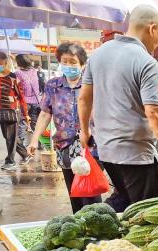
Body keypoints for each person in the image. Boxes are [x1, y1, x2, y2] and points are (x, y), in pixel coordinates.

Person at [78, 4, 158, 208]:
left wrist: (84, 131)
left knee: (123, 202)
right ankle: (89, 226)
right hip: (137, 155)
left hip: (107, 151)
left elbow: (84, 98)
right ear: (152, 28)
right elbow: (155, 112)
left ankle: (93, 226)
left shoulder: (99, 54)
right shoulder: (146, 62)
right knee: (144, 215)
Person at [27, 43, 103, 213]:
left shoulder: (91, 84)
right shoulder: (53, 85)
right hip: (65, 146)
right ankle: (79, 226)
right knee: (74, 192)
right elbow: (45, 114)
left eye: (73, 61)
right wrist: (34, 140)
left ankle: (97, 226)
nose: (68, 65)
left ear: (82, 64)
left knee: (90, 192)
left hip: (90, 145)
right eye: (65, 61)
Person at [15, 54, 41, 151]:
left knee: (22, 124)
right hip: (36, 100)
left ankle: (22, 146)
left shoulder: (17, 73)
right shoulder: (34, 71)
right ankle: (38, 143)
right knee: (35, 124)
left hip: (24, 102)